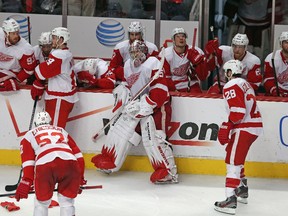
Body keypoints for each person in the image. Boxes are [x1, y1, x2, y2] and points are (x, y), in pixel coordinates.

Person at [91, 40, 178, 184]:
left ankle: (168, 172)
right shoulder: (127, 65)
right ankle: (111, 160)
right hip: (137, 105)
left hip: (158, 106)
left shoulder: (153, 63)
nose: (135, 55)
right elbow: (126, 84)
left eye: (138, 51)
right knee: (121, 129)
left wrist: (146, 104)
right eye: (132, 52)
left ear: (144, 52)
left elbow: (161, 91)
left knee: (155, 138)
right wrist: (122, 92)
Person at [214, 60, 263, 215]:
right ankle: (241, 189)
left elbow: (238, 111)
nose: (225, 75)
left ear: (230, 72)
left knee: (233, 161)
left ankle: (230, 199)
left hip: (244, 127)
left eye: (226, 72)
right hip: (254, 127)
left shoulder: (231, 85)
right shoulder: (246, 84)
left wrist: (227, 125)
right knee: (235, 155)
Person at [15, 111, 86, 216]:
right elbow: (79, 156)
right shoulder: (61, 130)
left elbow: (28, 162)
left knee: (41, 203)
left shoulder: (28, 135)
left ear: (35, 123)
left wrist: (27, 181)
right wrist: (80, 178)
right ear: (50, 122)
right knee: (67, 202)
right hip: (70, 164)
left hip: (45, 165)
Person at [31, 27, 78, 129]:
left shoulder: (59, 55)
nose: (52, 40)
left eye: (54, 38)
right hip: (60, 99)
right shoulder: (66, 53)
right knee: (53, 131)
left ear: (61, 40)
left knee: (54, 132)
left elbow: (40, 73)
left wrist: (39, 78)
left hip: (59, 100)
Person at [163, 27, 210, 93]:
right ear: (173, 40)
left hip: (191, 84)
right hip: (173, 84)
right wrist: (173, 90)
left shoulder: (196, 52)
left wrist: (197, 62)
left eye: (183, 36)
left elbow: (203, 77)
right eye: (178, 36)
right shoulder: (166, 54)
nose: (181, 38)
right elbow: (165, 77)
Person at [0, 18, 37, 91]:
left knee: (8, 85)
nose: (16, 36)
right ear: (6, 33)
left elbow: (29, 70)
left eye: (17, 33)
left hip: (11, 72)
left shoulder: (26, 48)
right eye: (13, 33)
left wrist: (17, 80)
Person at [263, 31, 288, 97]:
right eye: (286, 42)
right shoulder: (271, 58)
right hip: (278, 92)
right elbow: (267, 79)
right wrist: (275, 91)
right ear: (281, 44)